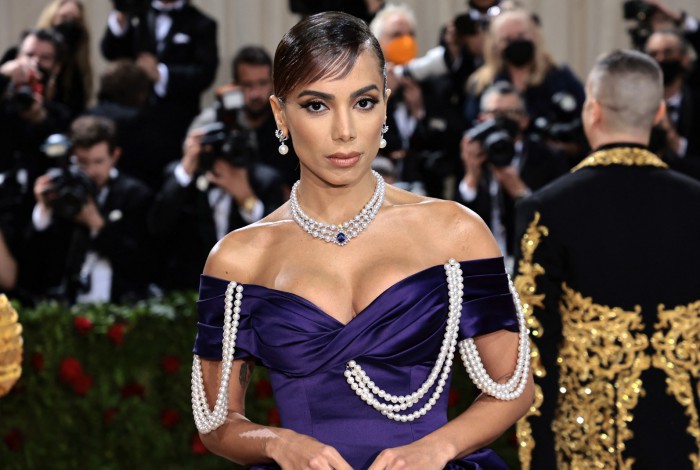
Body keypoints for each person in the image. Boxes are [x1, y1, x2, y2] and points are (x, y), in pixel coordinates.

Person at [192, 12, 533, 470]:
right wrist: (278, 443)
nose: (345, 131)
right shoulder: (239, 259)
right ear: (280, 114)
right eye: (317, 105)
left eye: (364, 102)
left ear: (386, 106)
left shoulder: (454, 231)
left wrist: (437, 447)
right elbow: (216, 422)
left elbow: (513, 388)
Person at [513, 50, 700, 469]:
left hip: (587, 448)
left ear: (592, 111)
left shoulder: (546, 209)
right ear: (658, 114)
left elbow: (533, 349)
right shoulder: (695, 202)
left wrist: (537, 458)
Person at [29, 115, 153, 304]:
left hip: (119, 304)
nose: (91, 171)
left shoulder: (135, 194)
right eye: (83, 162)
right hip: (66, 304)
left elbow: (142, 262)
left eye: (98, 161)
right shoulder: (63, 189)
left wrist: (98, 225)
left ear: (115, 156)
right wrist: (44, 208)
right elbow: (38, 257)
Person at [100, 0, 219, 189]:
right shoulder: (137, 11)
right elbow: (110, 51)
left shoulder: (202, 23)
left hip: (175, 125)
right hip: (131, 124)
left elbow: (204, 73)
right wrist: (121, 15)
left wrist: (160, 74)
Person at [456, 81, 568, 269]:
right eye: (495, 113)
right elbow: (457, 220)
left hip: (531, 263)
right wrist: (472, 177)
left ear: (524, 120)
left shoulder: (549, 157)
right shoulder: (473, 152)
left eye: (511, 113)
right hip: (481, 264)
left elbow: (558, 218)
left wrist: (521, 192)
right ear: (482, 119)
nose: (502, 121)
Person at [465, 8, 586, 162]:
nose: (516, 42)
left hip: (556, 165)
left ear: (535, 36)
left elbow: (585, 118)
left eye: (521, 35)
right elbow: (471, 128)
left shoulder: (560, 77)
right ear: (495, 45)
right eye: (507, 39)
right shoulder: (481, 83)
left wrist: (573, 146)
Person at [189, 45, 300, 190]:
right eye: (248, 85)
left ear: (273, 84)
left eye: (262, 83)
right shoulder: (215, 120)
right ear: (234, 86)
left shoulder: (287, 123)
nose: (255, 93)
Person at [644, 29, 700, 180]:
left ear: (685, 58)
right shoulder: (636, 105)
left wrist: (675, 142)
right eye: (654, 54)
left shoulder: (696, 103)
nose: (661, 59)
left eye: (668, 52)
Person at [36, 0, 93, 117]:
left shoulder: (76, 70)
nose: (69, 24)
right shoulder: (25, 55)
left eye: (75, 20)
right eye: (64, 17)